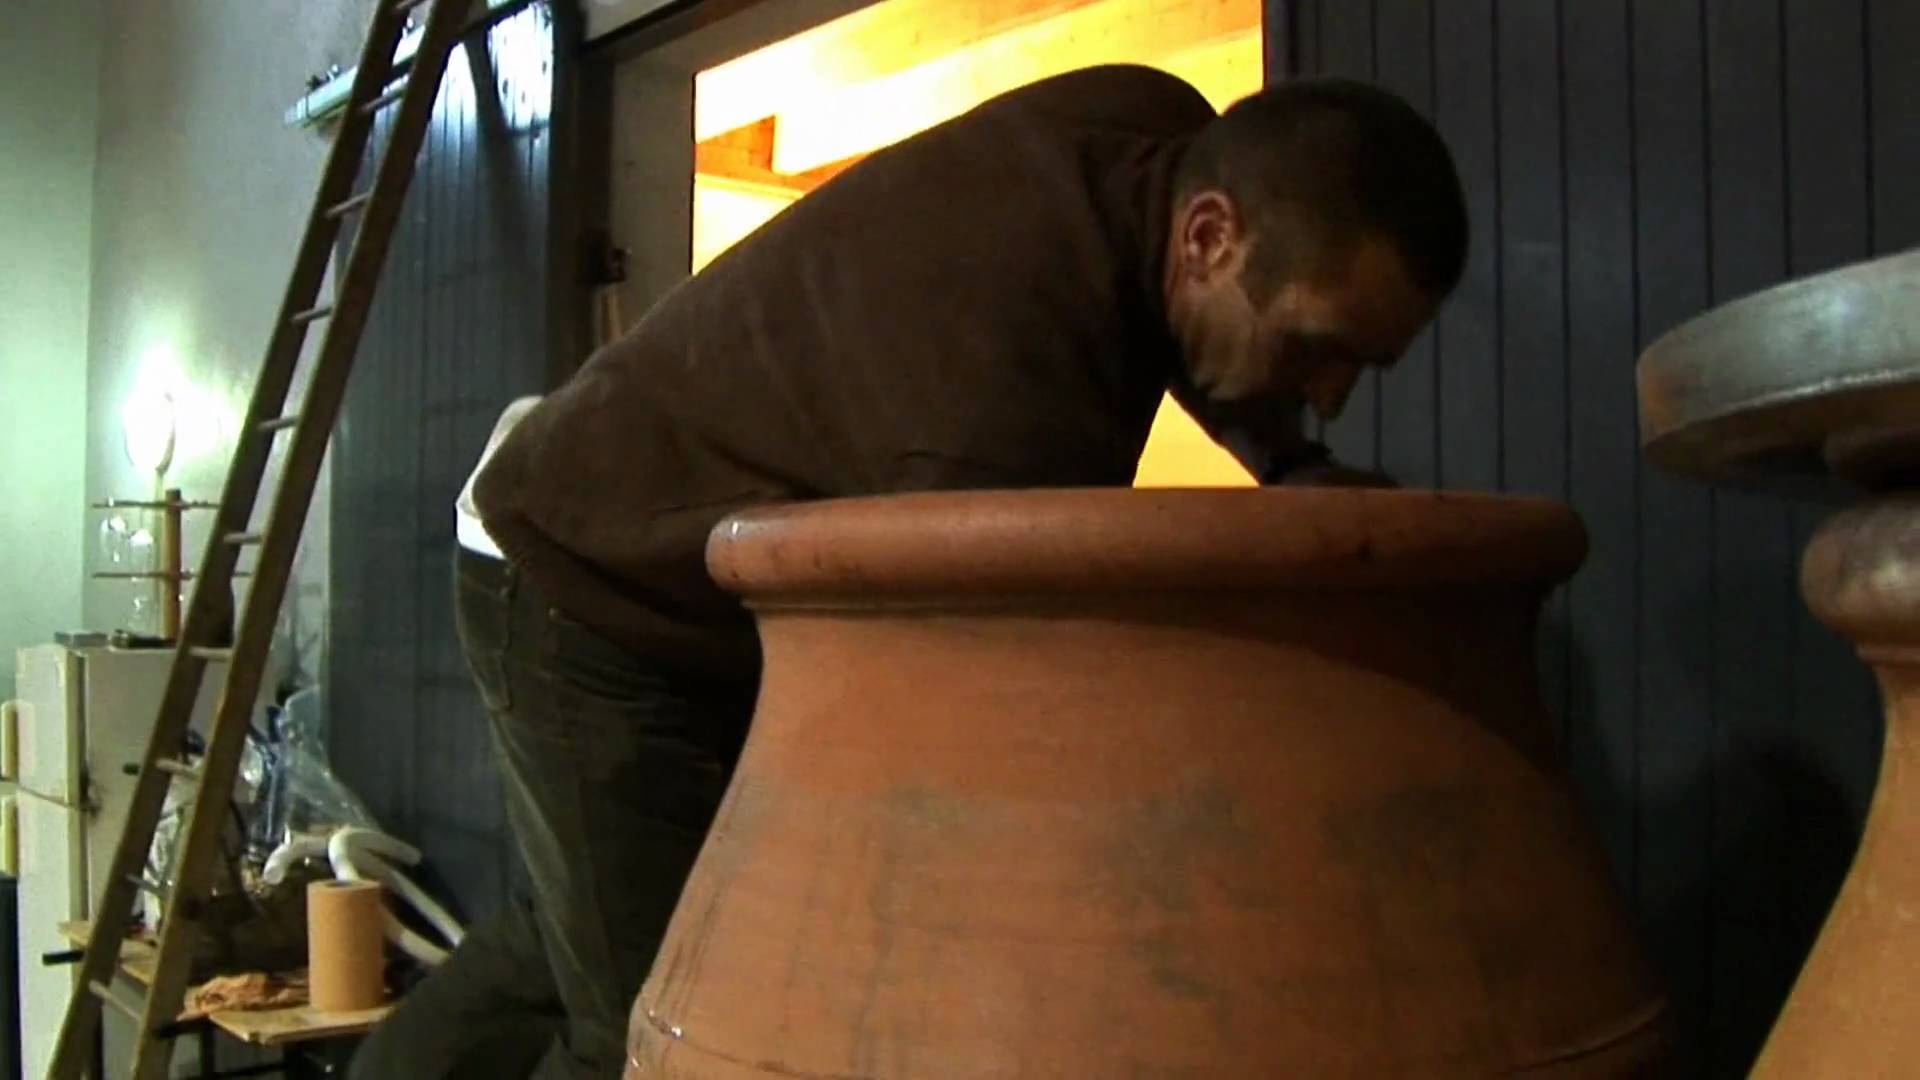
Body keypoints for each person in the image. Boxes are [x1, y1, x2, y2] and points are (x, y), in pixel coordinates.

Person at [353, 63, 1466, 1078]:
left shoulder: (1154, 124)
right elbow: (971, 757)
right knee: (660, 1021)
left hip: (653, 544)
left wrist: (1293, 464)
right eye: (1317, 351)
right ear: (1210, 237)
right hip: (578, 574)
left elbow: (1202, 334)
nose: (1328, 393)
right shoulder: (997, 415)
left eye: (1360, 364)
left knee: (587, 916)